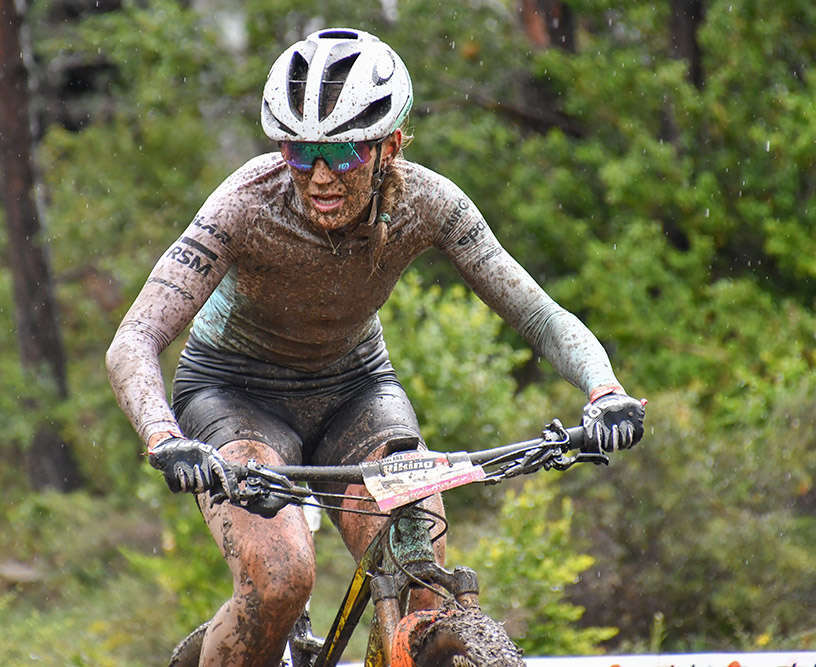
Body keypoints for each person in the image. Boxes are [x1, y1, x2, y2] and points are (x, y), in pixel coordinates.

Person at [106, 27, 645, 667]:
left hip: (356, 391)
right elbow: (134, 339)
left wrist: (604, 389)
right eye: (300, 153)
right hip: (236, 394)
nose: (319, 178)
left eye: (344, 155)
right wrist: (165, 439)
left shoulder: (429, 202)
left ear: (389, 145)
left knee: (422, 578)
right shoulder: (244, 204)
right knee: (279, 583)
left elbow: (535, 312)